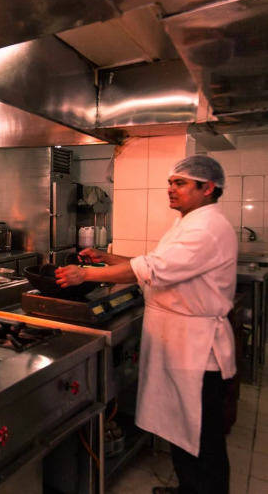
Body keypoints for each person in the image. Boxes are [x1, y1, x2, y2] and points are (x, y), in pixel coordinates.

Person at [55, 154, 236, 494]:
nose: (171, 189)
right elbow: (155, 264)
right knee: (185, 430)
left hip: (197, 350)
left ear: (208, 188)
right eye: (170, 182)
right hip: (181, 342)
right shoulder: (188, 223)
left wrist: (86, 274)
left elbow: (153, 269)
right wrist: (107, 258)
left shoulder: (207, 229)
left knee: (201, 439)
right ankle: (187, 489)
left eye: (180, 183)